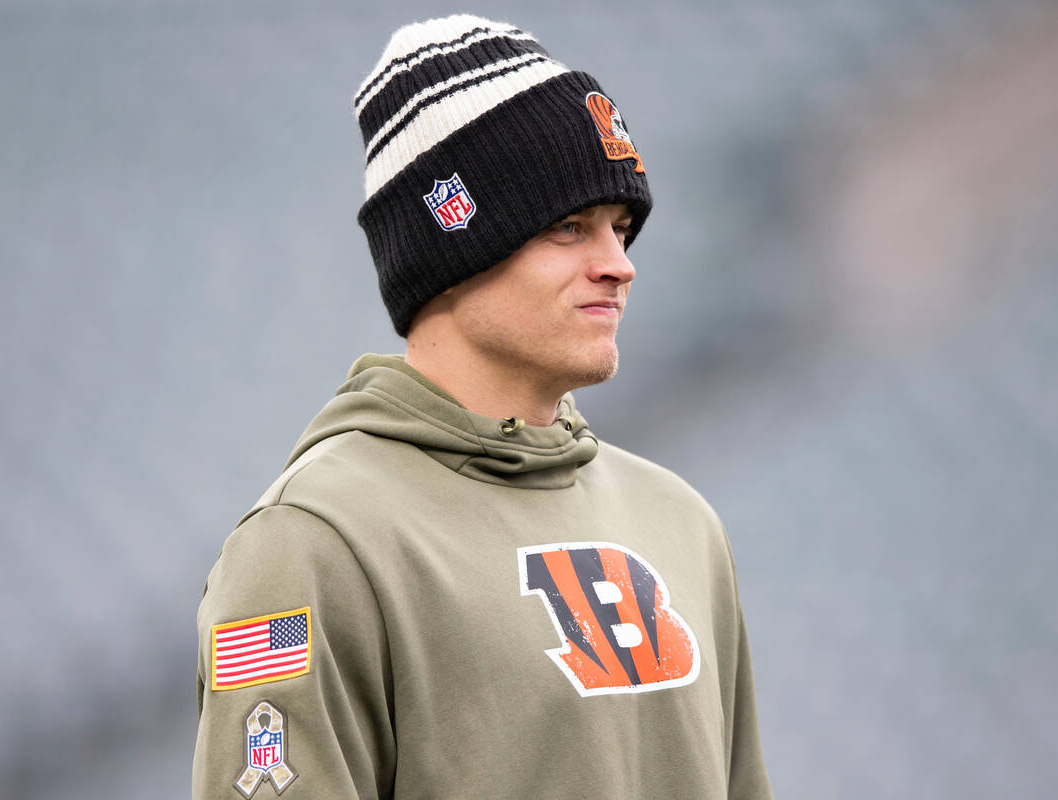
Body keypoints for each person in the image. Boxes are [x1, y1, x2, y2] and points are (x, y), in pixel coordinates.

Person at [192, 14, 772, 800]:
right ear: (451, 246)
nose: (618, 266)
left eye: (621, 228)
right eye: (570, 227)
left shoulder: (683, 525)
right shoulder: (310, 545)